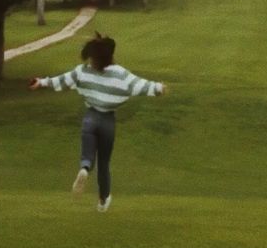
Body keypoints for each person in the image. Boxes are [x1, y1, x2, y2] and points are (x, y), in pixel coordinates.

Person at [28, 33, 165, 213]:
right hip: (108, 121)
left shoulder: (83, 71)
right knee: (104, 162)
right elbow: (142, 85)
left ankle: (84, 167)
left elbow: (62, 80)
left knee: (88, 152)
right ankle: (103, 200)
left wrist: (41, 82)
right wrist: (159, 88)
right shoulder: (121, 75)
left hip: (90, 118)